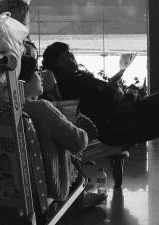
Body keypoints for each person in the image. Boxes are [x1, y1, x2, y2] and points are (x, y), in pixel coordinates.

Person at [42, 43, 159, 188]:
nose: (69, 59)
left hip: (119, 117)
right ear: (55, 67)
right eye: (62, 59)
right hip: (113, 128)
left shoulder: (78, 76)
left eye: (68, 53)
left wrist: (117, 92)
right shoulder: (70, 85)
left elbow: (102, 101)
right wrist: (117, 93)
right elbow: (98, 112)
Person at [18, 55, 106, 207]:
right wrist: (80, 128)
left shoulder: (5, 109)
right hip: (49, 182)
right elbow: (78, 142)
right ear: (23, 81)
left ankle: (81, 196)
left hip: (20, 182)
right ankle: (81, 198)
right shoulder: (42, 108)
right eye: (37, 71)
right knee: (73, 145)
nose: (41, 76)